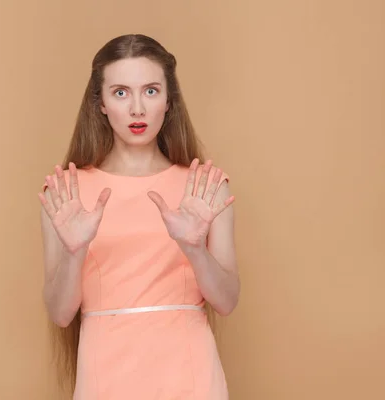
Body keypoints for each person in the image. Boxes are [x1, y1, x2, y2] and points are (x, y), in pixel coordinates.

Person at [38, 33, 239, 399]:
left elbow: (226, 301)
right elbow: (60, 313)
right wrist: (74, 251)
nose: (137, 109)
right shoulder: (65, 194)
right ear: (99, 103)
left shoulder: (205, 188)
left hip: (189, 374)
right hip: (106, 375)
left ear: (168, 100)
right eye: (120, 93)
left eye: (150, 91)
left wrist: (194, 249)